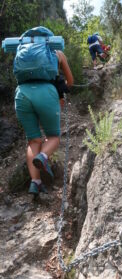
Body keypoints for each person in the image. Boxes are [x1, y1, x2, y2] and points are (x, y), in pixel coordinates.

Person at [15, 49, 73, 196]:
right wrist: (62, 63)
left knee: (33, 140)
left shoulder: (24, 54)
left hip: (21, 93)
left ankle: (35, 182)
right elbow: (70, 82)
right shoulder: (56, 58)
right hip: (46, 93)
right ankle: (43, 156)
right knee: (53, 136)